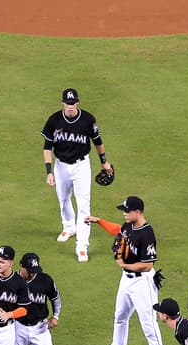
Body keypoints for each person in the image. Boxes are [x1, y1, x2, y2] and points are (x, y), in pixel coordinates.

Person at [86, 196, 165, 345]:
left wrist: (125, 265)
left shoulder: (147, 233)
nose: (124, 213)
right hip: (126, 280)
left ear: (138, 212)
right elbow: (118, 230)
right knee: (120, 316)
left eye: (127, 211)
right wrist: (99, 221)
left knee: (149, 324)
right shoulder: (128, 225)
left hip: (143, 282)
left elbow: (148, 265)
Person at [40, 87, 111, 263]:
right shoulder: (54, 120)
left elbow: (98, 142)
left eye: (73, 103)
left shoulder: (87, 119)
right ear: (62, 103)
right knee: (63, 199)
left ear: (77, 103)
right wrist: (49, 171)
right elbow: (47, 147)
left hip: (81, 166)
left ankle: (82, 246)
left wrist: (104, 162)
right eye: (67, 103)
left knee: (84, 205)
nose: (70, 106)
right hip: (61, 165)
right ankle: (69, 226)